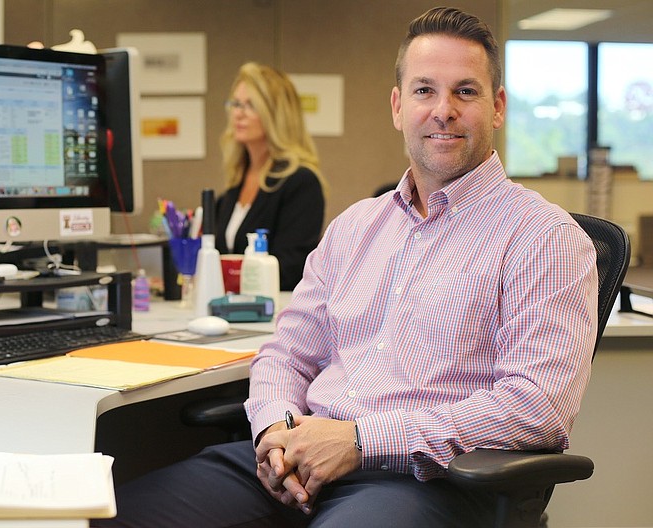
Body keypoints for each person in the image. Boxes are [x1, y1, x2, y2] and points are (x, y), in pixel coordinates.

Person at [103, 7, 598, 527]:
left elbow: (535, 406)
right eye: (424, 90)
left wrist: (362, 441)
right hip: (299, 457)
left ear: (497, 108)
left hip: (429, 481)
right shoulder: (355, 228)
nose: (443, 109)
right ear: (397, 105)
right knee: (116, 514)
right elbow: (286, 352)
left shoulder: (545, 238)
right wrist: (274, 431)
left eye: (466, 92)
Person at [214, 62, 329, 291]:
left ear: (276, 115)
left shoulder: (301, 183)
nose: (238, 113)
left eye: (250, 105)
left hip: (274, 315)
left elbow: (290, 269)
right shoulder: (234, 185)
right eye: (236, 104)